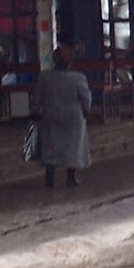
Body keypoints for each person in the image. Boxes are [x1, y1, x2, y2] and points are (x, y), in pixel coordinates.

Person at [31, 44, 91, 187]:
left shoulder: (45, 77)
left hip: (50, 115)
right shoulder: (78, 78)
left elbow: (37, 96)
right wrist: (86, 111)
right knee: (73, 147)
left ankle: (49, 176)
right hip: (73, 118)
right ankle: (70, 178)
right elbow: (85, 97)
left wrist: (34, 113)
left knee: (51, 146)